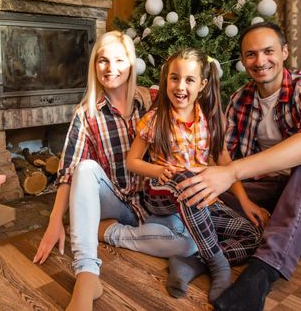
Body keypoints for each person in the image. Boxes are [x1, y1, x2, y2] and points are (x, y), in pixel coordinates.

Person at [176, 22, 301, 311]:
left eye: (268, 51)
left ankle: (262, 272)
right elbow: (224, 157)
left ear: (285, 52)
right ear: (243, 61)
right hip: (272, 196)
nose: (260, 61)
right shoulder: (240, 99)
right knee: (203, 188)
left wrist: (232, 172)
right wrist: (222, 179)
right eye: (251, 54)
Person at [32, 31, 198, 311]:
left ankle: (106, 232)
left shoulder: (154, 99)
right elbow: (68, 171)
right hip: (116, 201)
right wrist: (54, 221)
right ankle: (86, 276)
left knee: (189, 244)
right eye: (103, 61)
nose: (111, 69)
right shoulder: (86, 114)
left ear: (131, 64)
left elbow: (192, 116)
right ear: (94, 66)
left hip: (153, 204)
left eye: (119, 61)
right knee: (85, 168)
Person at [126, 48, 268, 303]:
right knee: (185, 180)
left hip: (202, 199)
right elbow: (132, 161)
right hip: (162, 196)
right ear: (166, 79)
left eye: (189, 80)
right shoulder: (154, 120)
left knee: (252, 235)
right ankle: (218, 266)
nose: (180, 86)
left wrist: (244, 201)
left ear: (202, 85)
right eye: (174, 78)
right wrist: (159, 170)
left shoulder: (212, 121)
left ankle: (191, 264)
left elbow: (225, 163)